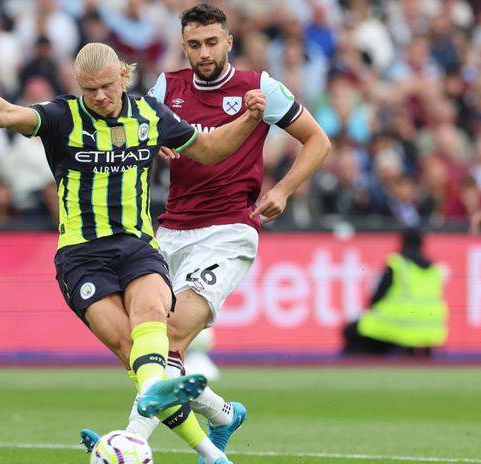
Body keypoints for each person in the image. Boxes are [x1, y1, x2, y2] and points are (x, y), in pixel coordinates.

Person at [0, 42, 266, 464]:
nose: (99, 97)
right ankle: (215, 426)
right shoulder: (62, 117)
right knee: (135, 353)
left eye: (106, 86)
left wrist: (250, 118)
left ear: (123, 76)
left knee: (153, 318)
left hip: (138, 244)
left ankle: (204, 446)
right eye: (89, 90)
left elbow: (210, 149)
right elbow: (8, 113)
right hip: (82, 256)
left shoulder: (151, 116)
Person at [81, 5, 332, 461]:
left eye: (212, 42)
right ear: (184, 46)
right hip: (170, 231)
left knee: (172, 335)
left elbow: (318, 140)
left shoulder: (258, 88)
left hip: (230, 230)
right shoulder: (166, 88)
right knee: (148, 349)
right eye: (194, 45)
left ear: (228, 41)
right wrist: (157, 143)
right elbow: (142, 133)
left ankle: (131, 441)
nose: (204, 53)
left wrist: (284, 189)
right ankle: (221, 415)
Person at [342, 227, 448, 356]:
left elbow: (376, 297)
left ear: (402, 241)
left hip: (399, 326)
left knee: (351, 331)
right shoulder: (435, 269)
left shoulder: (397, 264)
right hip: (431, 330)